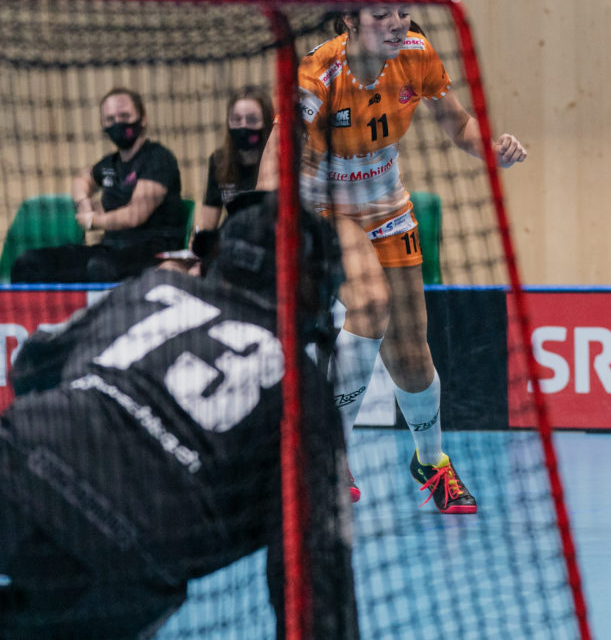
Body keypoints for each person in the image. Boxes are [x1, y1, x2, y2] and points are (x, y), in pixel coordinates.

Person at [0, 191, 357, 638]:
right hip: (129, 550)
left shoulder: (155, 287)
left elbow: (33, 364)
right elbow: (313, 567)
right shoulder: (304, 389)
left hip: (15, 458)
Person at [258, 0, 527, 513]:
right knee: (370, 303)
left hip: (388, 212)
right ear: (349, 19)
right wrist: (264, 213)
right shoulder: (318, 74)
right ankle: (329, 461)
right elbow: (278, 149)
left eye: (403, 11)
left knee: (410, 354)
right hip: (324, 212)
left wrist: (492, 149)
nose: (397, 22)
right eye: (381, 13)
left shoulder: (417, 55)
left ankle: (431, 462)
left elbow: (456, 124)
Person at [10, 87, 187, 284]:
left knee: (99, 267)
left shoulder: (158, 158)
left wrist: (93, 221)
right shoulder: (110, 165)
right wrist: (83, 203)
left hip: (151, 250)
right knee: (29, 263)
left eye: (124, 116)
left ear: (142, 119)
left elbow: (135, 215)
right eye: (110, 119)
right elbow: (81, 180)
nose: (117, 123)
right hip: (111, 248)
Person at [193, 85, 274, 240]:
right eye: (236, 120)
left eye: (252, 120)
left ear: (266, 123)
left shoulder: (278, 161)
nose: (243, 126)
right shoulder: (219, 161)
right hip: (231, 241)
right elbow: (208, 224)